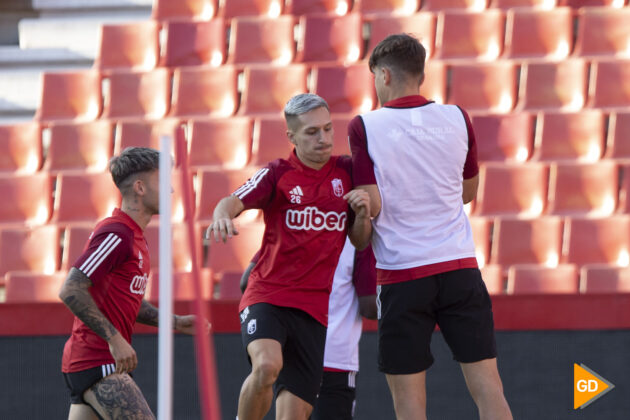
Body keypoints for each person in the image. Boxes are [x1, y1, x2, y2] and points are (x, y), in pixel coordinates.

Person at [349, 34, 513, 420]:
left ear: (384, 75)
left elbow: (371, 206)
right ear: (420, 73)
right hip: (459, 267)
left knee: (409, 405)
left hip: (403, 275)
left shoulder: (366, 126)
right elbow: (467, 192)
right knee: (489, 388)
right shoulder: (457, 117)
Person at [208, 93, 372, 420]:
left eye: (327, 129)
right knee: (267, 365)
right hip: (269, 295)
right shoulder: (278, 173)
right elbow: (231, 200)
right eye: (312, 132)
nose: (323, 138)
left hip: (313, 309)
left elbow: (359, 240)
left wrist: (363, 215)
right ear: (292, 137)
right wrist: (221, 216)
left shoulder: (347, 172)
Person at [59, 147, 207, 420]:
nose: (171, 190)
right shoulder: (117, 233)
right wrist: (114, 339)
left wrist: (174, 322)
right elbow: (71, 288)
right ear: (140, 187)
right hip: (98, 360)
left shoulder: (134, 237)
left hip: (96, 361)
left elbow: (126, 301)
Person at [240, 237, 377, 420]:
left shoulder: (296, 227)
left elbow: (247, 281)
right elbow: (369, 307)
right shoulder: (359, 239)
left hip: (296, 351)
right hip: (334, 359)